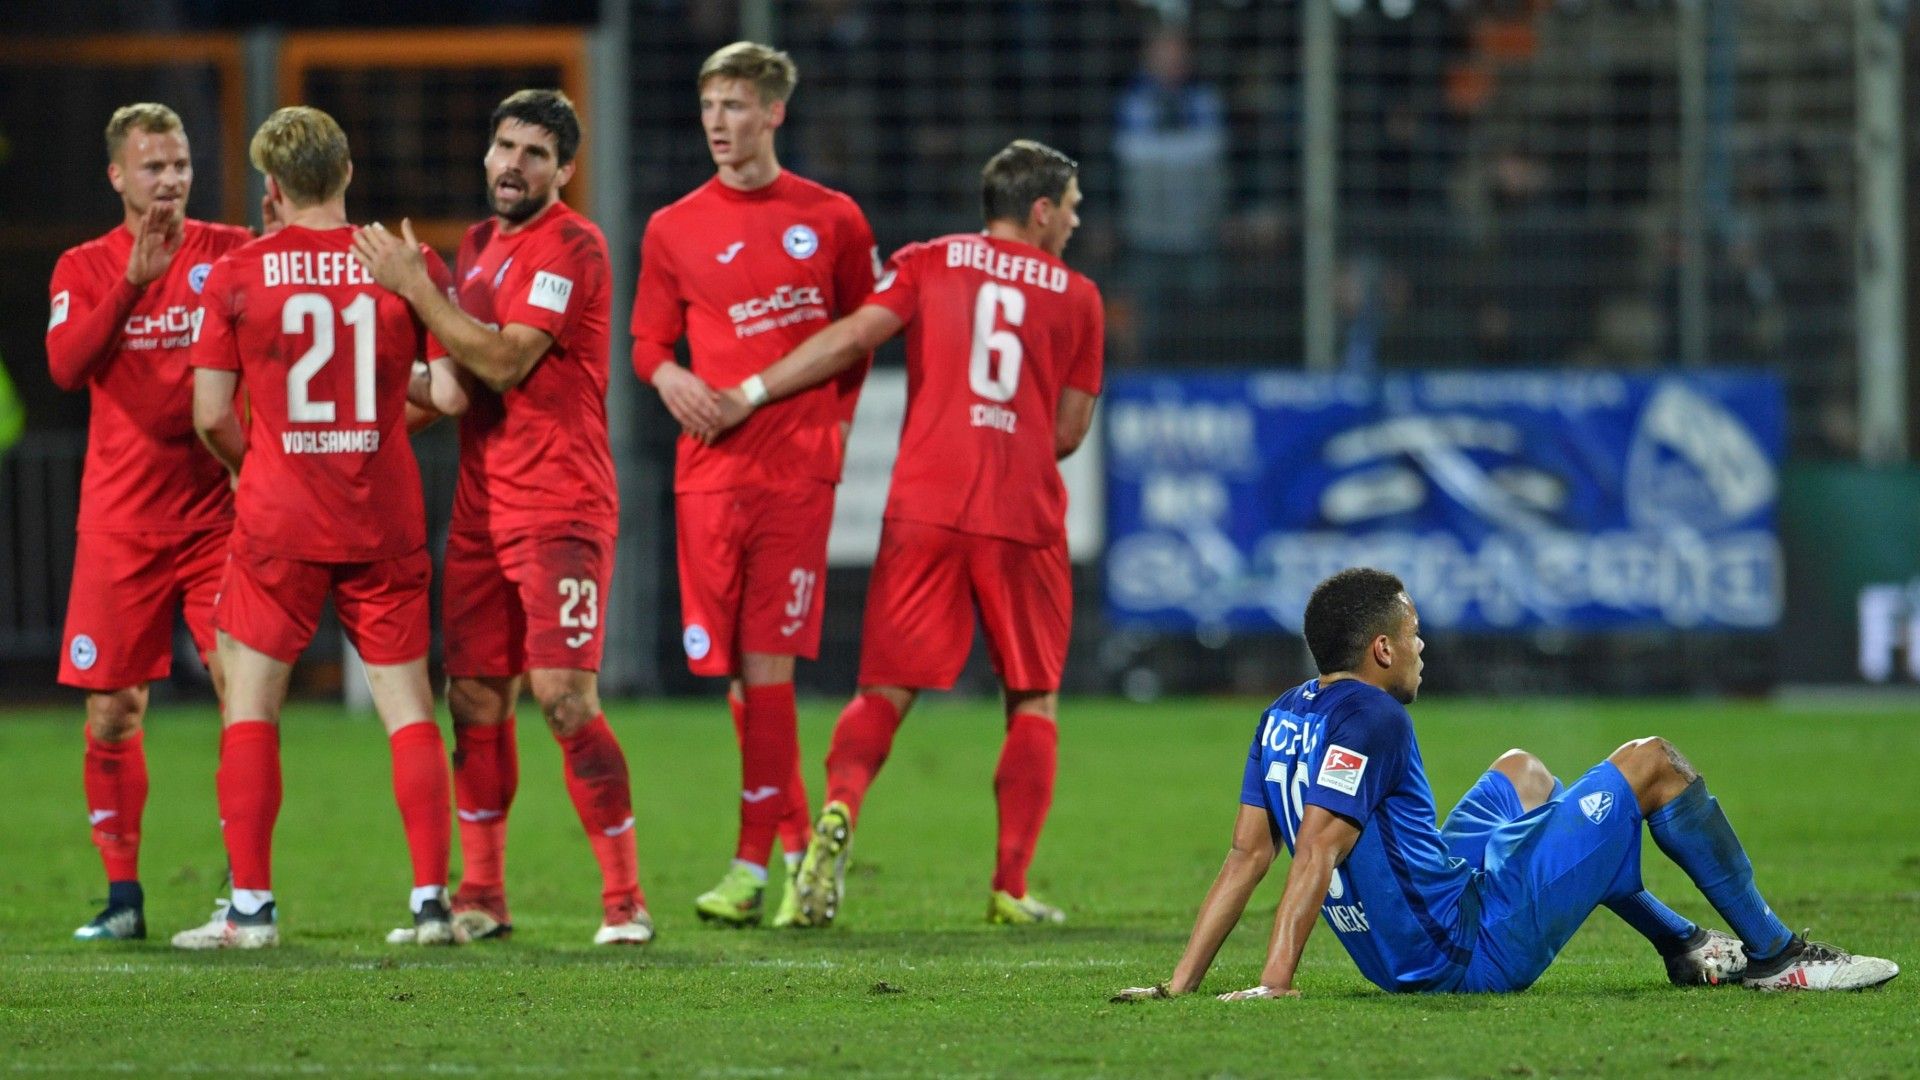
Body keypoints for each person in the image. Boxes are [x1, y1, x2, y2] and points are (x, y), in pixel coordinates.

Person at [1114, 567, 1900, 998]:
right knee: (1653, 761)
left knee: (1523, 772)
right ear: (1382, 650)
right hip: (1464, 952)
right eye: (1412, 632)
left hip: (1407, 936)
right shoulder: (1375, 718)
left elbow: (1247, 857)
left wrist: (1180, 986)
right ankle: (1778, 956)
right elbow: (1317, 850)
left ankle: (1682, 943)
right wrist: (1274, 985)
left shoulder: (1282, 715)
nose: (1422, 646)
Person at [702, 139, 1103, 928]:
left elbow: (852, 338)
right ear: (1041, 210)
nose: (1076, 222)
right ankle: (1010, 886)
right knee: (1032, 696)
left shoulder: (929, 260)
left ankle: (839, 809)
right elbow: (1069, 430)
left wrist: (751, 390)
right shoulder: (1079, 296)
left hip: (924, 505)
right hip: (1019, 512)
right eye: (1072, 208)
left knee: (883, 689)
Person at [351, 89, 651, 946]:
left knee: (564, 698)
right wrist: (356, 407)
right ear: (487, 153)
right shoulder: (479, 247)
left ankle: (625, 901)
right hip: (482, 509)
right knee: (476, 697)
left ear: (564, 170)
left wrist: (417, 287)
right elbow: (453, 385)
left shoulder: (574, 246)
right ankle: (481, 894)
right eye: (505, 147)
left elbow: (508, 360)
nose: (514, 165)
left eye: (535, 154)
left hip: (560, 504)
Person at [177, 106, 457, 949]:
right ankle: (431, 905)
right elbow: (449, 395)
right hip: (382, 514)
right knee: (409, 710)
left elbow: (210, 414)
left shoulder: (237, 272)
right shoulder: (403, 261)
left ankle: (251, 911)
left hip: (279, 520)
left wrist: (256, 464)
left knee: (252, 708)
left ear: (272, 186)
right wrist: (372, 427)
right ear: (346, 173)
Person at [631, 40, 878, 928]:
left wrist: (835, 425)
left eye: (734, 106)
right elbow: (647, 342)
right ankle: (799, 848)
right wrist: (669, 377)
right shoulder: (673, 227)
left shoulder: (832, 218)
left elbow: (861, 332)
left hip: (794, 473)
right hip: (709, 474)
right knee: (737, 674)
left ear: (774, 112)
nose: (718, 123)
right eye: (709, 107)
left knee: (767, 664)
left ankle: (746, 868)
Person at [46, 102, 252, 942]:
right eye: (153, 167)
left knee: (243, 692)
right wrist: (132, 282)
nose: (169, 180)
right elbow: (65, 366)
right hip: (121, 522)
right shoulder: (83, 266)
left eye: (180, 165)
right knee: (112, 713)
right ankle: (124, 897)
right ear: (117, 176)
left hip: (215, 521)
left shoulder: (231, 250)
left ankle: (246, 892)